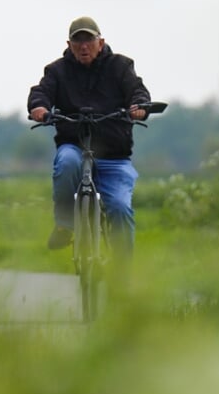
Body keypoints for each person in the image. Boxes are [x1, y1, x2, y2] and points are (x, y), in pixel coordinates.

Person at [27, 16, 154, 275]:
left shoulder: (120, 66)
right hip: (74, 144)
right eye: (78, 40)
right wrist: (39, 107)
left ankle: (123, 275)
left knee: (119, 207)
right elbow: (41, 93)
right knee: (66, 163)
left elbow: (138, 92)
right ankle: (65, 224)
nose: (83, 46)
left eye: (89, 40)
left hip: (114, 156)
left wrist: (139, 107)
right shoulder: (57, 70)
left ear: (101, 42)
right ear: (69, 43)